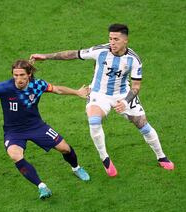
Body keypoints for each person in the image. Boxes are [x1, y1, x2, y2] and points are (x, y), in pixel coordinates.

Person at [30, 23, 174, 177]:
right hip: (99, 94)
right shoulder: (100, 51)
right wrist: (46, 56)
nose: (112, 42)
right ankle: (105, 158)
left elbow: (136, 86)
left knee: (143, 126)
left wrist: (125, 101)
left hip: (123, 95)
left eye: (116, 39)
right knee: (94, 121)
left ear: (125, 40)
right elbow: (73, 54)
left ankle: (161, 156)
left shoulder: (134, 59)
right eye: (110, 38)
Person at [0, 60, 90, 200]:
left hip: (36, 126)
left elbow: (57, 89)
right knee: (14, 155)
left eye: (22, 75)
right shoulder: (3, 88)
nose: (19, 79)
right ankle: (42, 186)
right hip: (14, 131)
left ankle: (76, 168)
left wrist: (77, 92)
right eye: (16, 75)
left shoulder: (37, 85)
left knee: (64, 148)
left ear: (29, 74)